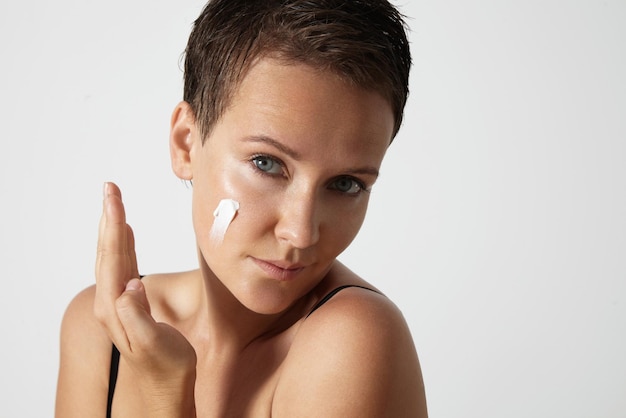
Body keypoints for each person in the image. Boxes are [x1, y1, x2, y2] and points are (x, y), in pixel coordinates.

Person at [55, 0, 428, 416]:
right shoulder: (100, 332)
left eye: (346, 184)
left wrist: (166, 393)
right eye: (266, 164)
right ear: (185, 143)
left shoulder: (353, 339)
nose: (300, 232)